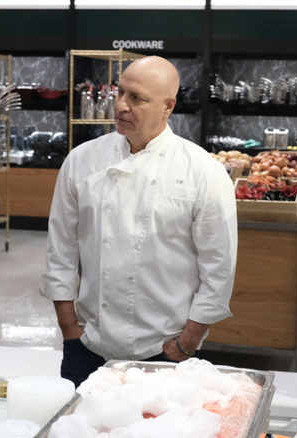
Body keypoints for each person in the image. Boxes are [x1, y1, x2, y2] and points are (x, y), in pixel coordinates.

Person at [39, 56, 237, 387]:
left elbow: (219, 267)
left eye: (137, 98)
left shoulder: (203, 171)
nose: (121, 106)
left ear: (167, 106)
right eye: (120, 92)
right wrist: (69, 327)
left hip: (165, 351)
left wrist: (187, 342)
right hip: (87, 347)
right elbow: (60, 248)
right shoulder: (82, 160)